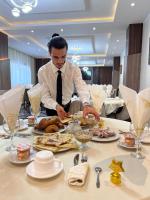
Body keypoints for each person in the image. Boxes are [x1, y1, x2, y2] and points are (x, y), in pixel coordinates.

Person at [38, 33, 99, 120]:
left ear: (66, 52)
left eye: (63, 56)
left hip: (68, 107)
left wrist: (86, 104)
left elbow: (81, 86)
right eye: (55, 57)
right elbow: (44, 96)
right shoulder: (43, 71)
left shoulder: (73, 68)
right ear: (49, 53)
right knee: (52, 132)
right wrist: (56, 106)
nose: (60, 61)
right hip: (51, 108)